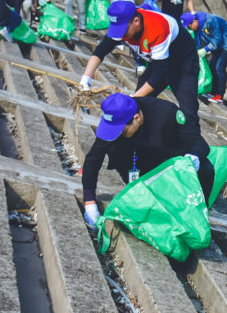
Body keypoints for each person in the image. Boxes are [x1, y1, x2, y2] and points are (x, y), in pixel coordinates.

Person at [81, 92, 214, 228]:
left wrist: (194, 156)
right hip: (133, 164)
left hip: (165, 159)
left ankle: (199, 212)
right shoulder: (116, 115)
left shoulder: (166, 112)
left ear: (136, 118)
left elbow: (197, 140)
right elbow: (93, 159)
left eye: (122, 131)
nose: (118, 134)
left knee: (206, 168)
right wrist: (90, 203)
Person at [78, 1, 201, 124]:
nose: (121, 35)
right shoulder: (123, 25)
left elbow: (159, 75)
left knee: (188, 112)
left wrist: (134, 98)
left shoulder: (157, 28)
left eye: (123, 31)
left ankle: (192, 140)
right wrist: (86, 78)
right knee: (139, 105)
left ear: (136, 21)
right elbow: (101, 51)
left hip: (183, 62)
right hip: (158, 62)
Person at [181, 11, 227, 103]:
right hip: (217, 43)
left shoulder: (210, 21)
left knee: (219, 67)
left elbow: (218, 39)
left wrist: (205, 50)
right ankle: (213, 91)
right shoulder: (197, 27)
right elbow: (198, 40)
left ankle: (220, 95)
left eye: (189, 26)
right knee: (211, 66)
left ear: (194, 21)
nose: (189, 28)